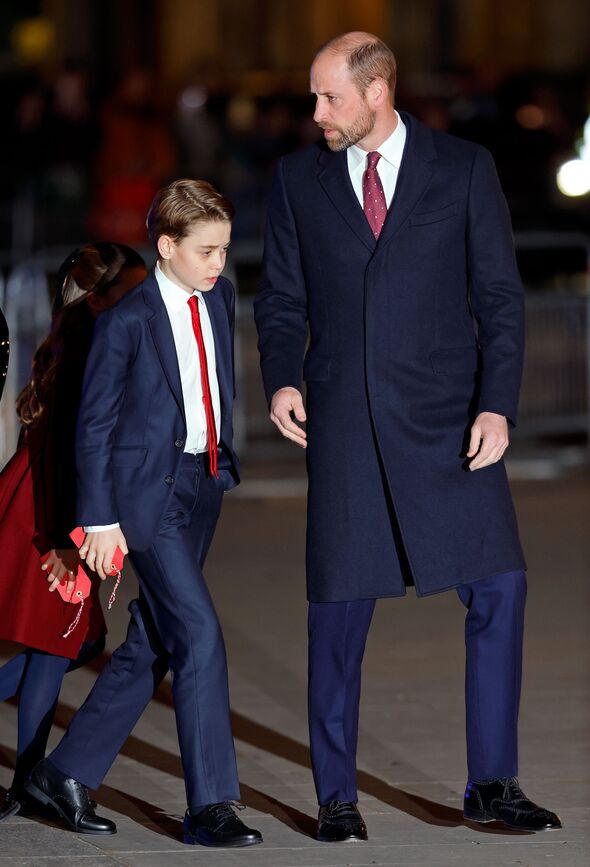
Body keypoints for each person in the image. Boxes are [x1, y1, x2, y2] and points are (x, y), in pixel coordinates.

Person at [254, 32, 561, 841]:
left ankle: (493, 782)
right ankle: (336, 796)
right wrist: (282, 378)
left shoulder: (463, 168)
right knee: (337, 614)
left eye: (330, 97)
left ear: (378, 91)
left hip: (449, 424)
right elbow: (280, 299)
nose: (317, 113)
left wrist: (496, 406)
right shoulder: (296, 179)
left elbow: (500, 298)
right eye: (315, 97)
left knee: (500, 588)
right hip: (345, 426)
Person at [25, 179, 263, 848]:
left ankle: (63, 774)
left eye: (224, 249)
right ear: (166, 246)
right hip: (144, 499)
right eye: (206, 250)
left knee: (154, 639)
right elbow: (94, 425)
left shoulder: (219, 298)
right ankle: (211, 805)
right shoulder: (125, 321)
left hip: (201, 482)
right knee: (199, 633)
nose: (218, 263)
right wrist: (99, 521)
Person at [0, 243, 147, 821]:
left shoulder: (74, 330)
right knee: (57, 643)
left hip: (40, 498)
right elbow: (70, 447)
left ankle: (26, 780)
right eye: (134, 287)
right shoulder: (91, 339)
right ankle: (28, 782)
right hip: (54, 510)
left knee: (78, 640)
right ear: (105, 293)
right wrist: (66, 537)